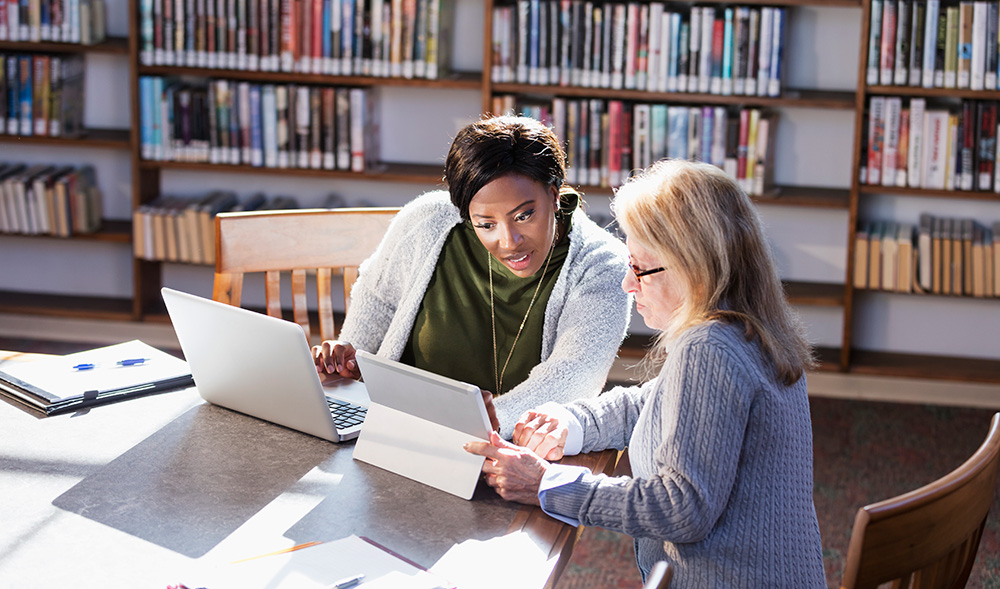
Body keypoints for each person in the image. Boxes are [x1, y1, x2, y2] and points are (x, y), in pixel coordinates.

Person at [465, 159, 827, 587]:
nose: (627, 284)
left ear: (694, 266)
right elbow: (653, 401)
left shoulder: (709, 347)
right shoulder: (748, 326)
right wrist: (570, 422)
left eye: (639, 268)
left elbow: (680, 509)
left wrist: (547, 482)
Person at [313, 115, 631, 438]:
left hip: (502, 456)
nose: (509, 242)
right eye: (486, 224)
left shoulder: (601, 264)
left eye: (524, 215)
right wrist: (348, 359)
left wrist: (494, 420)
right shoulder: (427, 221)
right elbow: (378, 299)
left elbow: (575, 375)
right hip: (392, 433)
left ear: (553, 194)